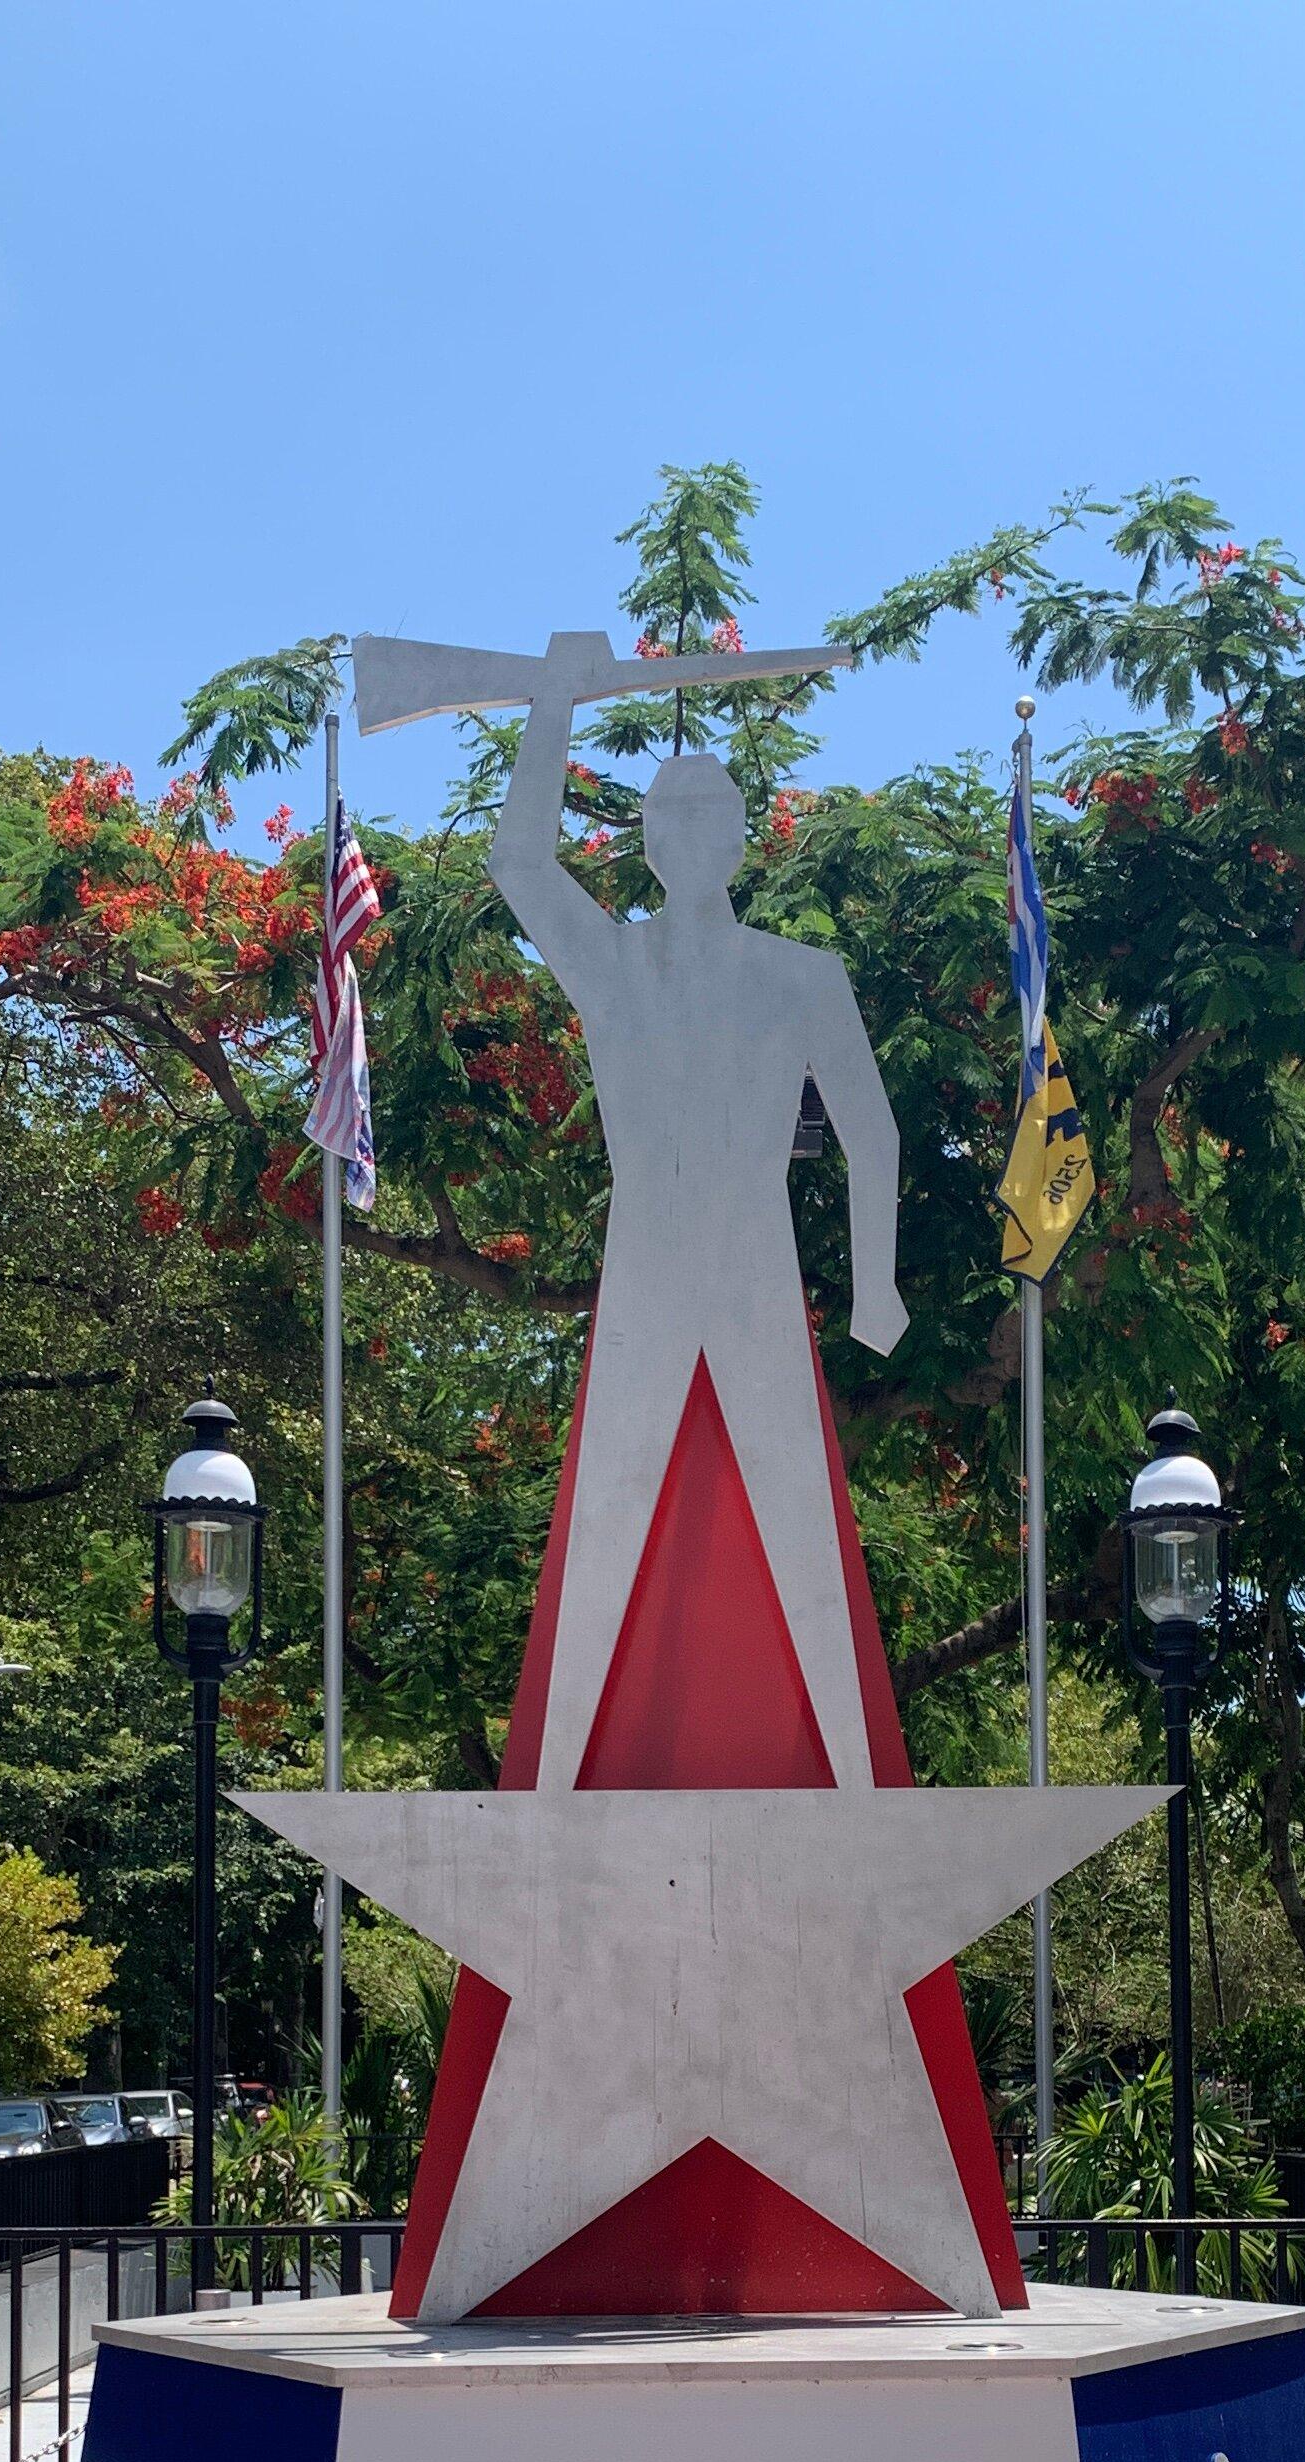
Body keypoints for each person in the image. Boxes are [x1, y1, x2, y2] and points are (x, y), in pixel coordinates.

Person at [490, 633, 908, 1791]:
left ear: (737, 837)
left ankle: (865, 1804)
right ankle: (553, 1800)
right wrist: (555, 704)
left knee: (806, 1532)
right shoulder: (612, 967)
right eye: (663, 820)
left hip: (757, 1265)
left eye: (705, 816)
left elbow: (871, 1130)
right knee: (597, 1547)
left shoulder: (801, 976)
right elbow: (519, 861)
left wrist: (876, 1284)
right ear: (646, 842)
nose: (685, 837)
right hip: (646, 1269)